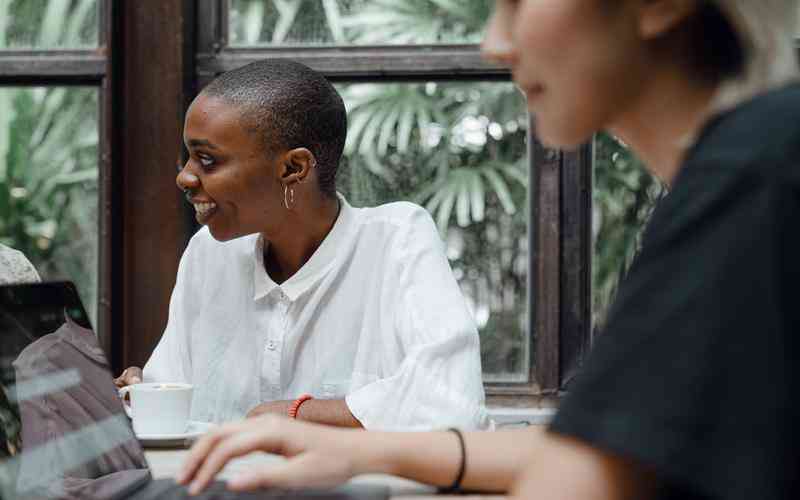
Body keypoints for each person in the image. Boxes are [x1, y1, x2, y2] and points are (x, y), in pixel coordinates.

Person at [176, 1, 800, 499]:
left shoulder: (755, 174)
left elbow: (582, 478)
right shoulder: (733, 171)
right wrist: (359, 450)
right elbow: (600, 447)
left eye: (517, 3)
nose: (495, 44)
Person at [114, 60, 489, 431]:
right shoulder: (207, 255)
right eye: (188, 157)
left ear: (294, 168)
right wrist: (138, 396)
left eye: (207, 159)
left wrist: (294, 414)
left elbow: (452, 403)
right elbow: (171, 397)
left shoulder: (396, 241)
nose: (184, 177)